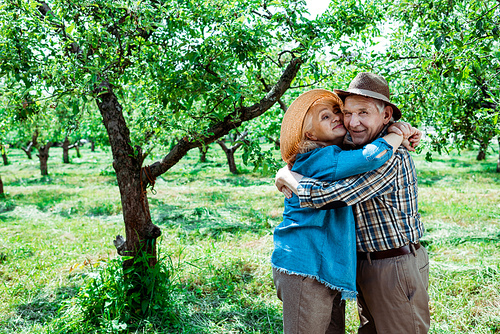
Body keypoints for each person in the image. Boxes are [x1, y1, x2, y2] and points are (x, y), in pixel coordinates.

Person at [275, 72, 429, 334]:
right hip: (359, 264)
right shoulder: (350, 147)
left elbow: (330, 197)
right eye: (347, 113)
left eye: (364, 113)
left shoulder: (390, 158)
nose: (352, 122)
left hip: (393, 265)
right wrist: (286, 170)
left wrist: (291, 178)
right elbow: (316, 150)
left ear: (386, 115)